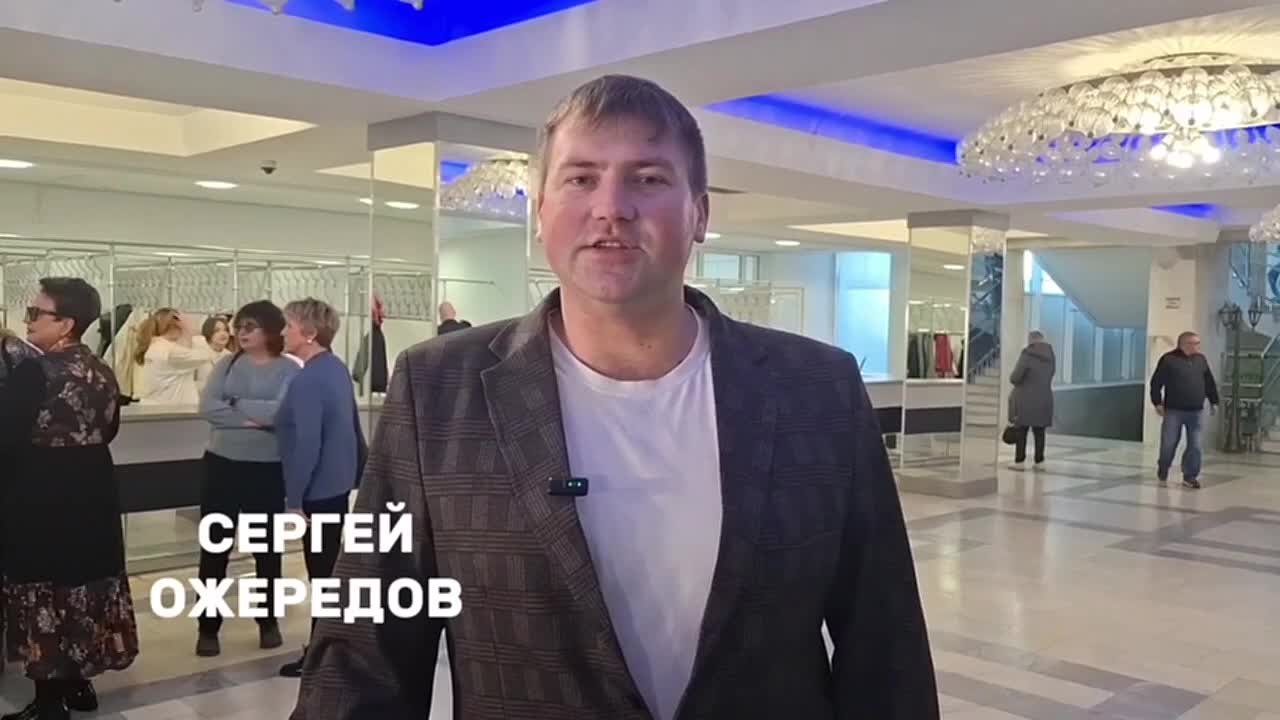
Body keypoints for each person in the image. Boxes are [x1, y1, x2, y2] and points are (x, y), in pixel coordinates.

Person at [290, 74, 937, 720]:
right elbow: (362, 656)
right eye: (580, 178)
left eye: (648, 178)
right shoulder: (437, 390)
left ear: (700, 214)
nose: (611, 207)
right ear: (540, 211)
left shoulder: (817, 390)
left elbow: (885, 649)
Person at [0, 278, 139, 720]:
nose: (28, 320)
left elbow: (6, 436)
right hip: (93, 490)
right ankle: (80, 685)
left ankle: (48, 703)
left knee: (45, 590)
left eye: (36, 313)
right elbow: (109, 428)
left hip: (42, 494)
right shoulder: (100, 369)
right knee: (84, 585)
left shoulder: (34, 371)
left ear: (66, 323)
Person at [194, 301, 299, 657]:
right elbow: (208, 406)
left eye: (250, 327)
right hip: (222, 465)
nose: (241, 333)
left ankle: (267, 621)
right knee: (214, 549)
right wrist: (251, 417)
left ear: (270, 330)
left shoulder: (289, 369)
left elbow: (282, 413)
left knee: (267, 551)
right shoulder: (227, 365)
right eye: (239, 327)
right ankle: (208, 627)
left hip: (266, 469)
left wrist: (237, 405)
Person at [275, 298, 366, 679]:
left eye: (288, 325)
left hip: (317, 491)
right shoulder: (335, 369)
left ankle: (323, 652)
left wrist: (294, 499)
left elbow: (307, 443)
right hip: (337, 485)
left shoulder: (308, 380)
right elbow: (353, 430)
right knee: (328, 570)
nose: (282, 332)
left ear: (309, 333)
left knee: (323, 574)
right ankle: (329, 647)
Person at [1150, 331, 1219, 489]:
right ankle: (1163, 466)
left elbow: (1209, 381)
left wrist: (1214, 401)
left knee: (1195, 445)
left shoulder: (1201, 360)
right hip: (1173, 411)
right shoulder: (1169, 360)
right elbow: (1156, 382)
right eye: (1194, 343)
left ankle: (1190, 476)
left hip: (1196, 411)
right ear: (1184, 344)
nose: (1197, 346)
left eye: (1198, 343)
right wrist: (1157, 402)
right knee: (1169, 444)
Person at [135, 307, 214, 404]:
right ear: (177, 324)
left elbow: (187, 352)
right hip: (168, 408)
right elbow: (205, 355)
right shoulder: (170, 351)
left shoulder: (157, 346)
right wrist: (190, 329)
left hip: (158, 406)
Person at [1008, 330, 1056, 470]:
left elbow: (1015, 377)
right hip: (1044, 397)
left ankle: (1020, 461)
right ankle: (1039, 461)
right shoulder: (1051, 355)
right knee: (1040, 431)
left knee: (1021, 430)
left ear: (1030, 340)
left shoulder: (1027, 354)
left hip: (1025, 399)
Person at [195, 314, 236, 393]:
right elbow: (189, 382)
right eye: (217, 330)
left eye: (226, 330)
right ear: (208, 333)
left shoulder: (230, 356)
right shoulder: (198, 352)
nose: (223, 334)